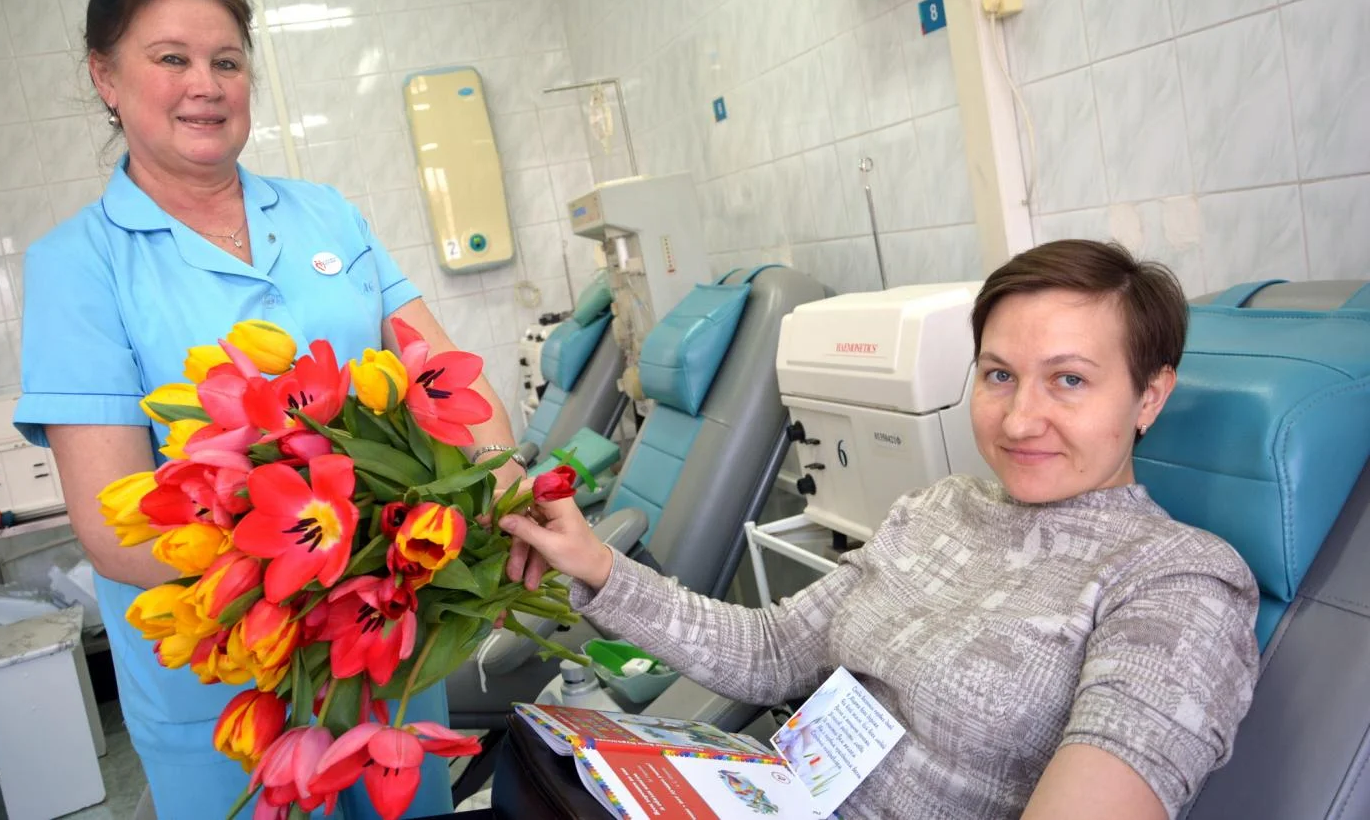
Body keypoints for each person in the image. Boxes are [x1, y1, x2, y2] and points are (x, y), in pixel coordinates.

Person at [13, 0, 524, 820]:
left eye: (226, 61)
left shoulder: (327, 214)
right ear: (105, 76)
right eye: (171, 58)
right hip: (232, 678)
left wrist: (500, 492)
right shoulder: (78, 265)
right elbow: (109, 527)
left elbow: (444, 378)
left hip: (384, 649)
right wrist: (324, 573)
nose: (204, 85)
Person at [501, 239, 1261, 820]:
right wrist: (596, 564)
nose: (1020, 419)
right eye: (999, 375)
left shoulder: (1177, 581)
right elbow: (772, 651)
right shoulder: (938, 510)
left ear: (1149, 395)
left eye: (1069, 379)